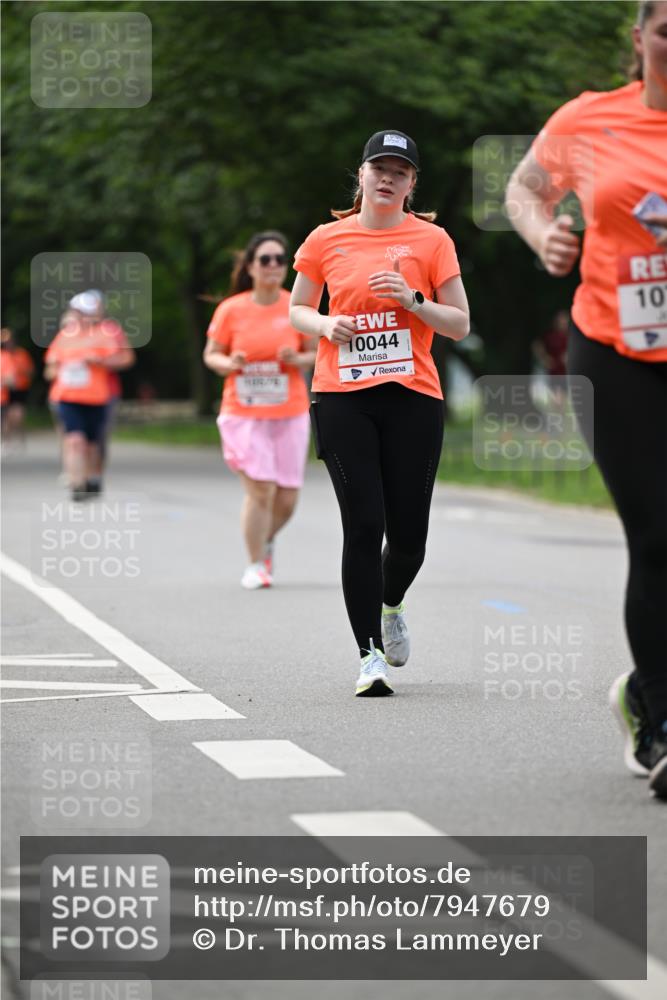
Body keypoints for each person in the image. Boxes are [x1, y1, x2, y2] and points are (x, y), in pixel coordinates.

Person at [505, 0, 667, 798]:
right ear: (638, 37)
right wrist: (545, 237)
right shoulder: (588, 119)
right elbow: (524, 191)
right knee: (657, 533)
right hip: (616, 349)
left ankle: (642, 690)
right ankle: (663, 721)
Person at [290, 130, 469, 696]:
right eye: (379, 168)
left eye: (400, 171)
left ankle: (392, 604)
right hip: (342, 394)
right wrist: (324, 325)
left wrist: (413, 301)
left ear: (413, 184)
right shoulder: (325, 239)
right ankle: (368, 656)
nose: (387, 178)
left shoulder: (432, 240)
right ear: (361, 175)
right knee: (363, 525)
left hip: (413, 395)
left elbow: (460, 323)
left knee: (409, 538)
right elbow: (298, 308)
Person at [203, 231, 316, 589]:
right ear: (250, 266)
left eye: (280, 260)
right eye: (265, 259)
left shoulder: (296, 306)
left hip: (290, 411)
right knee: (261, 490)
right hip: (243, 412)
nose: (273, 266)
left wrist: (297, 359)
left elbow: (317, 352)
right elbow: (211, 355)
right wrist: (230, 362)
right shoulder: (231, 310)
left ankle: (264, 541)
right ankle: (255, 563)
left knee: (286, 499)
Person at [44, 304, 129, 502]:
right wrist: (58, 370)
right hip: (67, 397)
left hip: (96, 397)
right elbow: (49, 370)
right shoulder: (63, 338)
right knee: (74, 441)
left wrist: (99, 361)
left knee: (92, 444)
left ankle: (92, 478)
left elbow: (123, 358)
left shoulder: (102, 336)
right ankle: (76, 484)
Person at [69, 290, 135, 495]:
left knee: (97, 438)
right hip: (73, 393)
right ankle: (79, 478)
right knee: (75, 438)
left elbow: (127, 358)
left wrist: (102, 361)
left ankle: (95, 475)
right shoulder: (70, 332)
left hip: (106, 392)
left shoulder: (110, 330)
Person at [0, 328, 34, 446]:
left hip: (20, 388)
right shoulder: (2, 356)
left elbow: (30, 371)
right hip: (5, 390)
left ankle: (20, 438)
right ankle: (7, 441)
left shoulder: (22, 354)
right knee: (6, 417)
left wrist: (19, 372)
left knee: (18, 415)